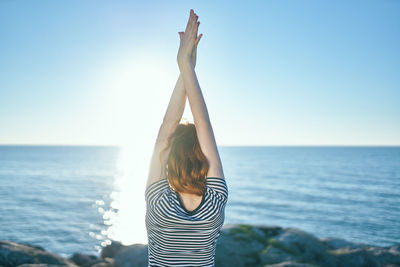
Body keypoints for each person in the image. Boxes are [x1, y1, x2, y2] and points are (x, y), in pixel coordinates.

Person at [144, 9, 228, 267]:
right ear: (201, 155)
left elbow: (166, 130)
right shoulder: (214, 204)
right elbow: (204, 125)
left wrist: (186, 65)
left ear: (170, 157)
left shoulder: (158, 202)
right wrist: (187, 66)